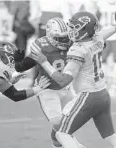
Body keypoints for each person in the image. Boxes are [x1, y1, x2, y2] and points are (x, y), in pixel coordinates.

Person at [30, 11, 116, 148]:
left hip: (89, 96)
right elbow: (105, 33)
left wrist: (44, 62)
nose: (71, 30)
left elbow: (63, 81)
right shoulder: (97, 39)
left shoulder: (78, 49)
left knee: (61, 134)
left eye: (75, 27)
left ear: (85, 30)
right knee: (110, 135)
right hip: (103, 94)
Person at [14, 17, 86, 148]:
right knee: (58, 123)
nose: (65, 41)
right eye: (60, 38)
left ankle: (57, 145)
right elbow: (22, 66)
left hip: (66, 87)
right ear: (50, 35)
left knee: (69, 122)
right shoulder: (41, 46)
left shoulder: (72, 41)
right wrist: (18, 60)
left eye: (66, 37)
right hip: (47, 88)